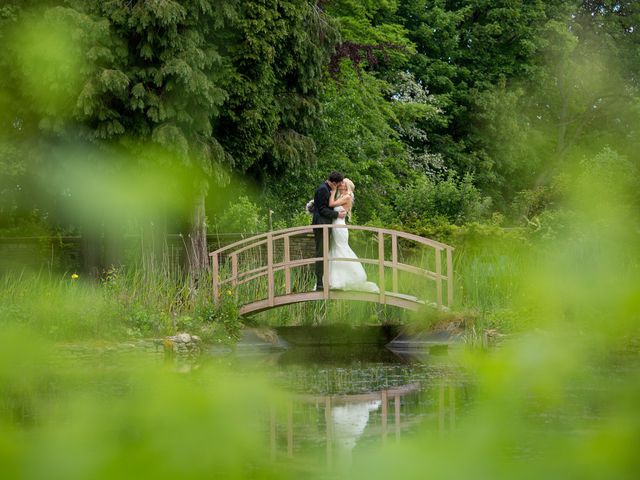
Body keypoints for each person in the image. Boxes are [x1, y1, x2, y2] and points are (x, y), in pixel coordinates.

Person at [327, 179, 379, 292]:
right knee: (335, 249)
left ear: (346, 186)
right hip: (335, 224)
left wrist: (333, 191)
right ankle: (333, 279)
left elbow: (331, 204)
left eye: (342, 183)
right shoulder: (341, 196)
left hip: (339, 226)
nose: (340, 184)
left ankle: (345, 279)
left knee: (341, 249)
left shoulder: (347, 196)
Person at [312, 171, 347, 290]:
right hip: (321, 225)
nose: (338, 187)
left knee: (325, 252)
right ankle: (319, 283)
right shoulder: (323, 189)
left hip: (326, 225)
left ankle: (323, 281)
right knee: (321, 253)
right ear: (334, 183)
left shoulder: (329, 189)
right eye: (338, 185)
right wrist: (337, 214)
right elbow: (322, 209)